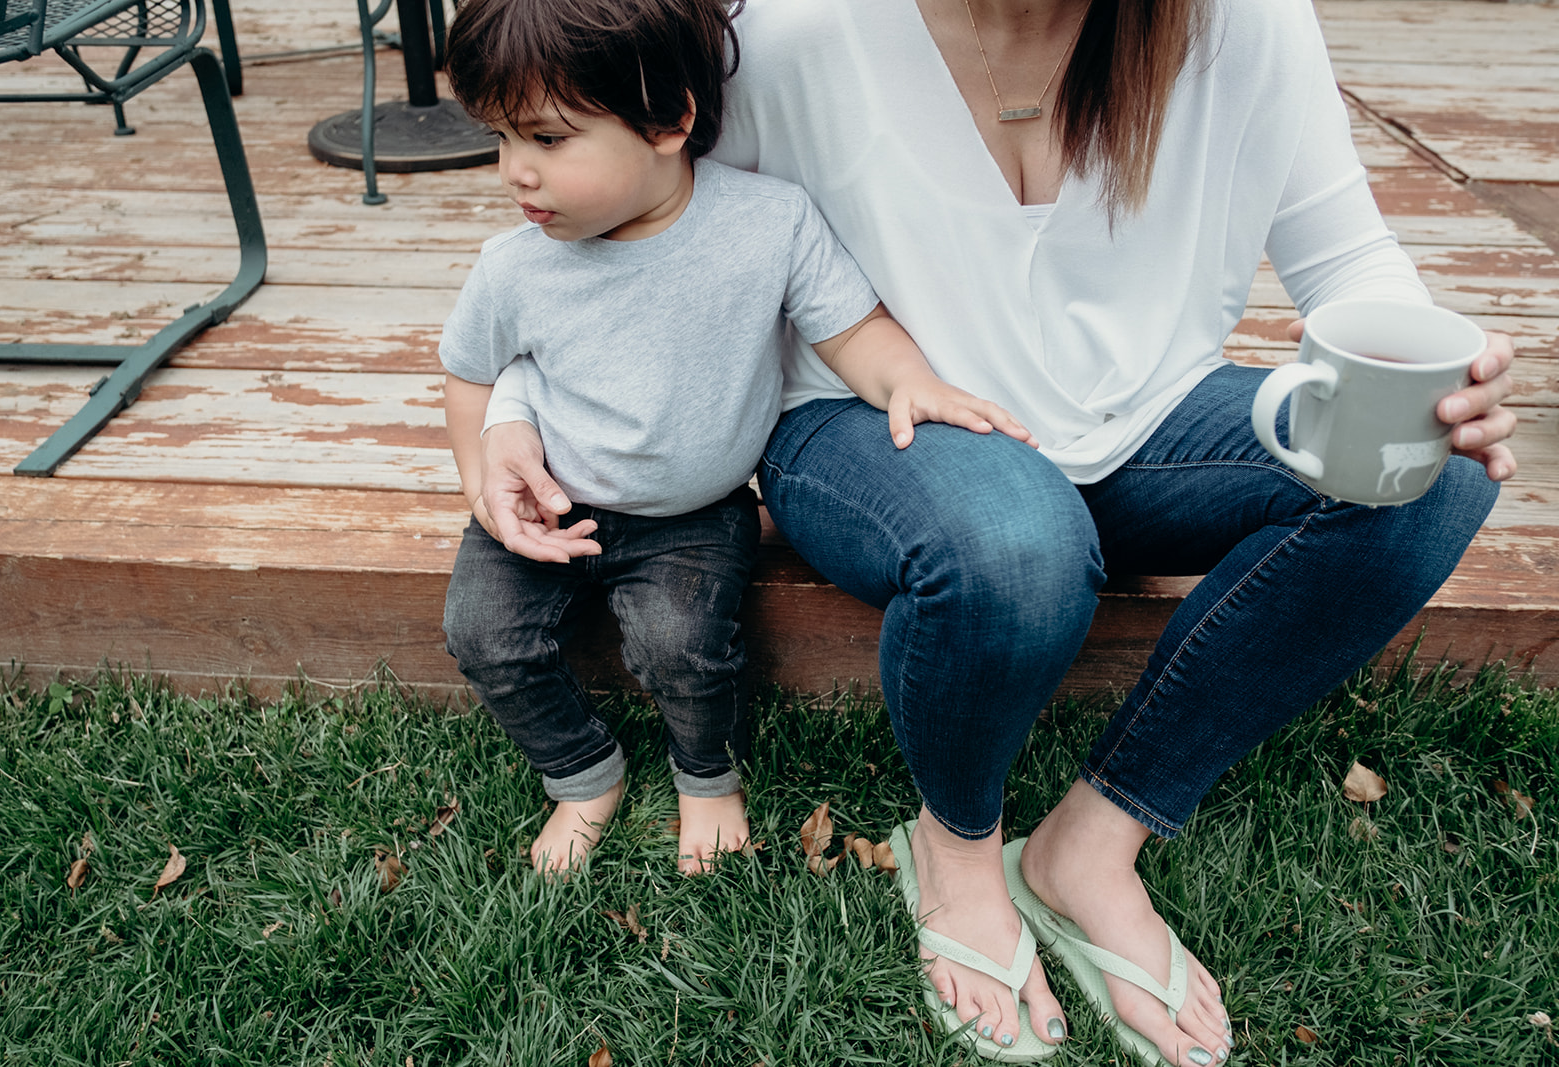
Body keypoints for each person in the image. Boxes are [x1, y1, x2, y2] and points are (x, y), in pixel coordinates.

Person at [472, 0, 1519, 1060]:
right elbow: (625, 229)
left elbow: (1346, 257)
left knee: (1431, 481)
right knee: (1015, 546)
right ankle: (957, 846)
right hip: (863, 423)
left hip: (1146, 414)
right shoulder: (788, 30)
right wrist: (510, 407)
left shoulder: (1240, 21)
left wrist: (1434, 387)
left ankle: (1092, 842)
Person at [437, 0, 1032, 877]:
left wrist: (911, 381)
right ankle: (579, 773)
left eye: (549, 140)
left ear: (670, 119)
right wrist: (480, 479)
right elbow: (470, 373)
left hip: (694, 512)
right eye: (501, 140)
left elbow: (850, 327)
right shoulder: (514, 265)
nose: (515, 174)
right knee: (481, 631)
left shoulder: (768, 223)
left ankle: (707, 775)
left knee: (683, 648)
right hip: (550, 504)